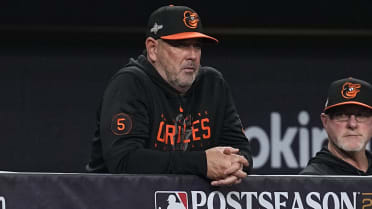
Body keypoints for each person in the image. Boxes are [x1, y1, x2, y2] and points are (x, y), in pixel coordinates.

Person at [86, 5, 253, 186]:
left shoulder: (212, 84)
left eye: (197, 46)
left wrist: (234, 166)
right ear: (153, 49)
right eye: (181, 45)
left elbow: (242, 151)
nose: (192, 55)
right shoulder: (130, 83)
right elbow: (124, 161)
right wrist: (202, 163)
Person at [300, 77, 372, 175]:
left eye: (361, 115)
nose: (352, 124)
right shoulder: (312, 182)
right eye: (342, 115)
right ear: (325, 121)